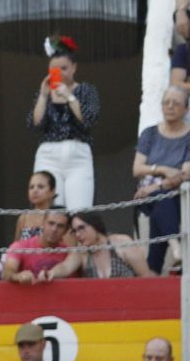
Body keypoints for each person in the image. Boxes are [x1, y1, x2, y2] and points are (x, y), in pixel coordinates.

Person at [27, 36, 98, 210]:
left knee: (79, 210)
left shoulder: (86, 90)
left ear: (74, 68)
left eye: (64, 68)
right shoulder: (44, 93)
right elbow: (35, 124)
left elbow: (89, 119)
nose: (60, 73)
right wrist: (43, 96)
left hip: (77, 155)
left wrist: (69, 96)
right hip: (48, 155)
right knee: (49, 210)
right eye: (54, 69)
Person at [134, 85, 190, 274]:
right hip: (147, 196)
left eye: (176, 103)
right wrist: (164, 169)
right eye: (166, 102)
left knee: (162, 203)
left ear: (186, 109)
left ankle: (156, 266)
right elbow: (137, 169)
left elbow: (185, 174)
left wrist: (156, 186)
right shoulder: (149, 133)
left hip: (178, 195)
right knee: (161, 201)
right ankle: (175, 246)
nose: (170, 106)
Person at [55, 210, 151, 280]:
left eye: (81, 228)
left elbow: (145, 276)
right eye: (75, 231)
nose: (78, 234)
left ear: (95, 225)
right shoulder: (82, 252)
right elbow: (65, 267)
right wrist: (51, 273)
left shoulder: (121, 242)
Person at [2, 209, 74, 284]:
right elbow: (7, 272)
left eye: (60, 226)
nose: (54, 229)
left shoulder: (69, 252)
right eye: (51, 223)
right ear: (43, 223)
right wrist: (18, 276)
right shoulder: (21, 246)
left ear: (66, 230)